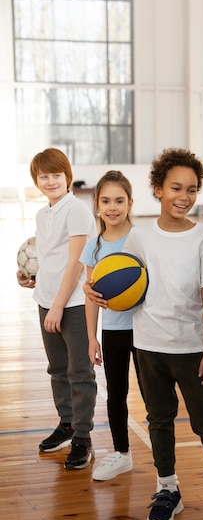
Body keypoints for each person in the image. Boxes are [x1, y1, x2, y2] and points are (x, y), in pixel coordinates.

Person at [121, 148, 203, 520]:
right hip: (148, 345)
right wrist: (99, 292)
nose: (184, 196)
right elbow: (123, 283)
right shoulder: (140, 237)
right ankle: (167, 488)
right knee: (159, 420)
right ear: (158, 189)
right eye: (176, 187)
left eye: (192, 189)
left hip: (192, 348)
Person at [17, 148, 97, 470]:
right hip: (46, 300)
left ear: (68, 176)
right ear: (36, 180)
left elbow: (76, 264)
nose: (50, 181)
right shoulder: (43, 214)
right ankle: (66, 424)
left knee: (79, 372)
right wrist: (31, 277)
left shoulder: (76, 210)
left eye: (56, 175)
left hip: (73, 304)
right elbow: (50, 256)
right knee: (57, 368)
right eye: (44, 176)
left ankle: (83, 437)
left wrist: (58, 306)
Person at [80, 170, 141, 481]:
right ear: (97, 205)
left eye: (119, 200)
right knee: (116, 393)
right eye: (106, 201)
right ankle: (122, 454)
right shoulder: (94, 246)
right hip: (113, 330)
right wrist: (92, 338)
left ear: (130, 202)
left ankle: (165, 466)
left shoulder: (141, 239)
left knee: (153, 395)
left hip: (145, 328)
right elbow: (91, 296)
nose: (112, 207)